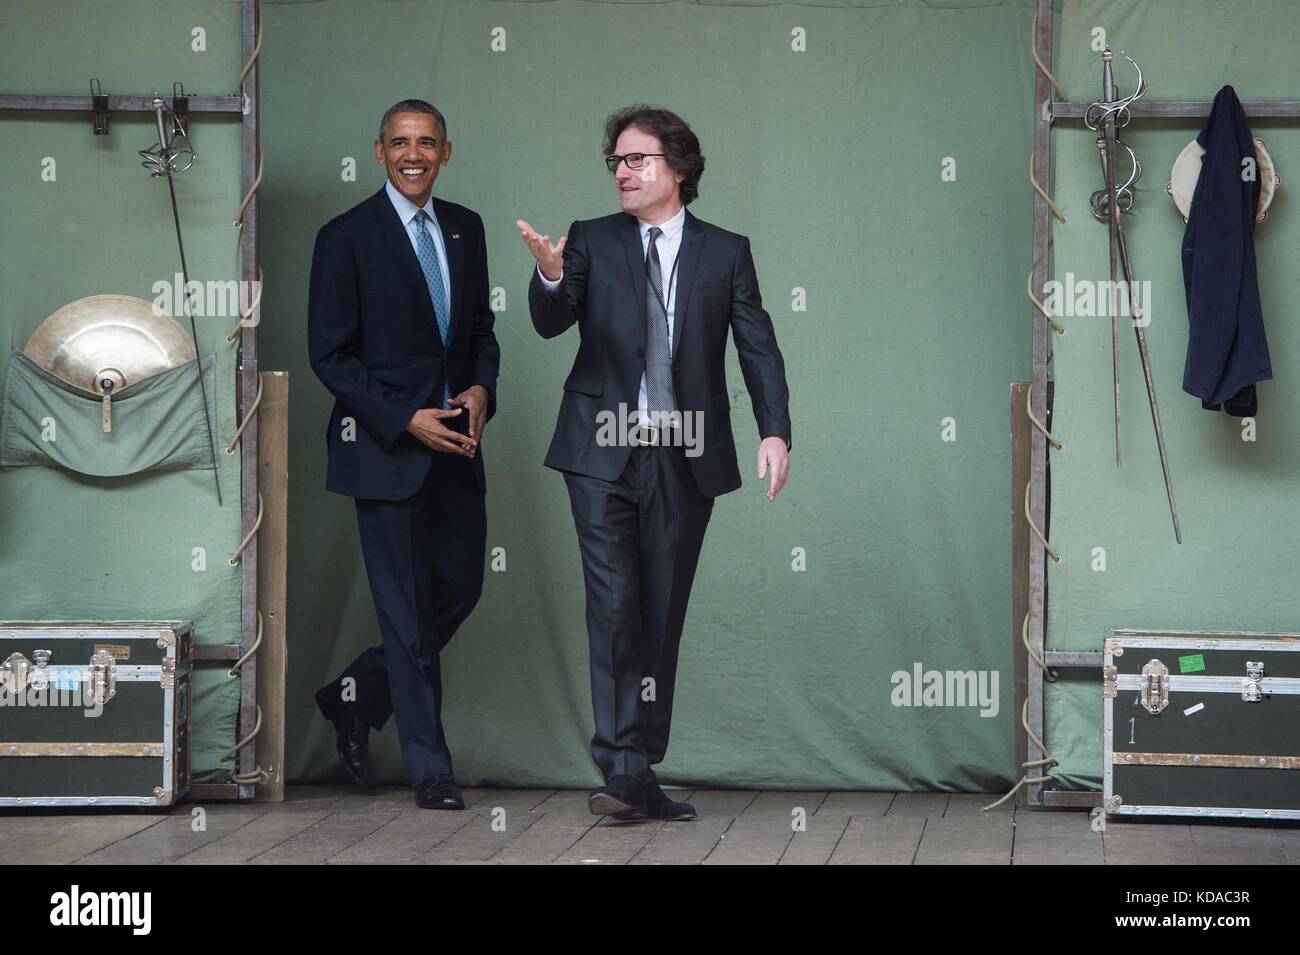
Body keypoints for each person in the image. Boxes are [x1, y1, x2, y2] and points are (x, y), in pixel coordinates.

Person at [517, 105, 792, 820]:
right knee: (613, 606)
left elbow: (756, 345)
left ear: (679, 168)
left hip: (685, 450)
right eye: (616, 161)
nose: (623, 171)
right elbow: (552, 322)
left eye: (637, 159)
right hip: (599, 448)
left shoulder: (726, 251)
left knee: (660, 610)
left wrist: (774, 432)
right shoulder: (589, 240)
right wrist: (550, 276)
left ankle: (639, 761)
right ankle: (621, 766)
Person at [308, 99, 499, 810]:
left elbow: (479, 330)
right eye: (399, 143)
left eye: (426, 143)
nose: (412, 154)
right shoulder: (346, 236)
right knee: (408, 614)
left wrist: (482, 388)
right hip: (383, 450)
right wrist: (402, 418)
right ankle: (431, 769)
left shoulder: (466, 228)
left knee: (459, 588)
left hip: (457, 444)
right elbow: (329, 354)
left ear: (446, 151)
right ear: (379, 150)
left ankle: (354, 695)